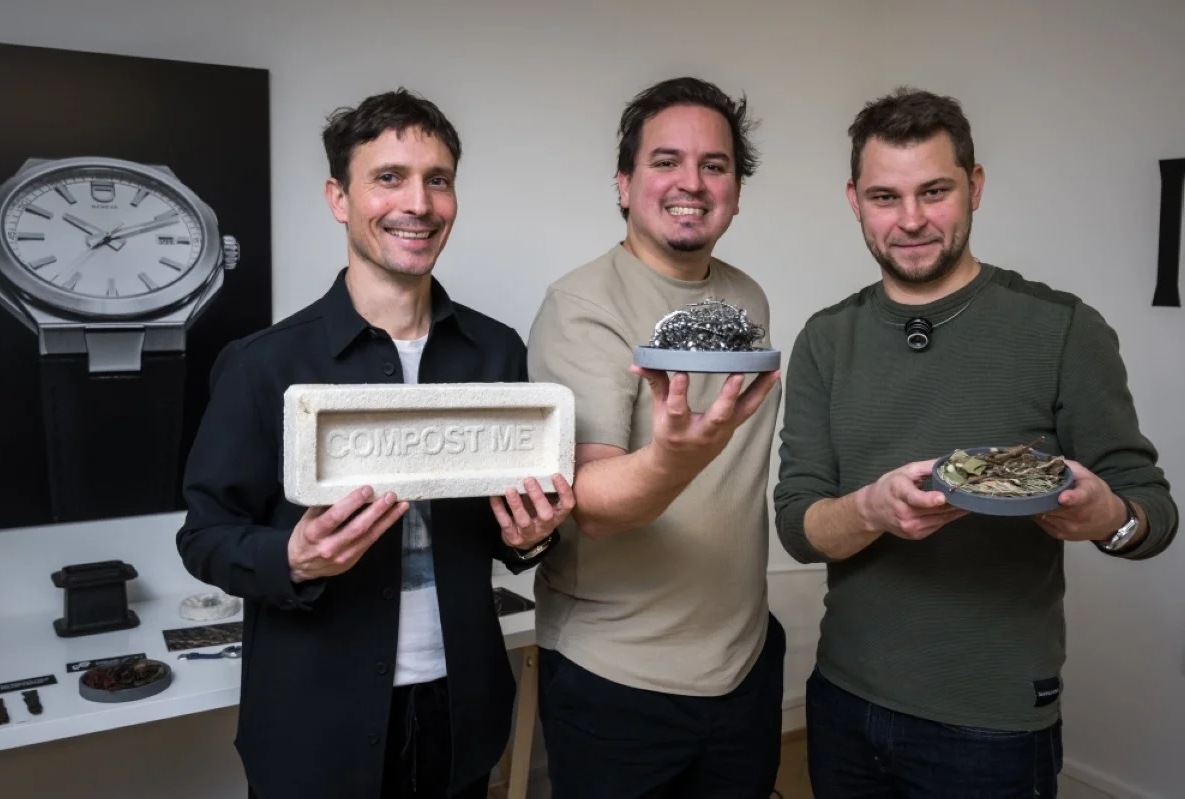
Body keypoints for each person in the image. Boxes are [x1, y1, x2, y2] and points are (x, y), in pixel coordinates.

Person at [775, 86, 1179, 798]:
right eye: (884, 196)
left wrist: (1106, 517)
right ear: (853, 199)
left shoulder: (1062, 328)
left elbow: (1152, 515)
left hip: (991, 725)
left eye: (934, 191)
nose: (910, 220)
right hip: (842, 701)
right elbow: (799, 527)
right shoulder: (825, 338)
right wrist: (869, 508)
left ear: (976, 186)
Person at [176, 88, 574, 799]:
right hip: (312, 728)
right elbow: (205, 537)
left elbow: (503, 530)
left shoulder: (495, 351)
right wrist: (292, 555)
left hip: (463, 711)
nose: (417, 202)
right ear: (339, 197)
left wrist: (534, 536)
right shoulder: (261, 363)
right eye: (388, 177)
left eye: (438, 178)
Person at [526, 76, 784, 799]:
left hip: (745, 662)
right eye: (666, 161)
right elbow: (597, 505)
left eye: (716, 165)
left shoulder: (747, 297)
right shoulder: (581, 305)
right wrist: (680, 456)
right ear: (624, 182)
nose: (692, 183)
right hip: (619, 677)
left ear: (736, 186)